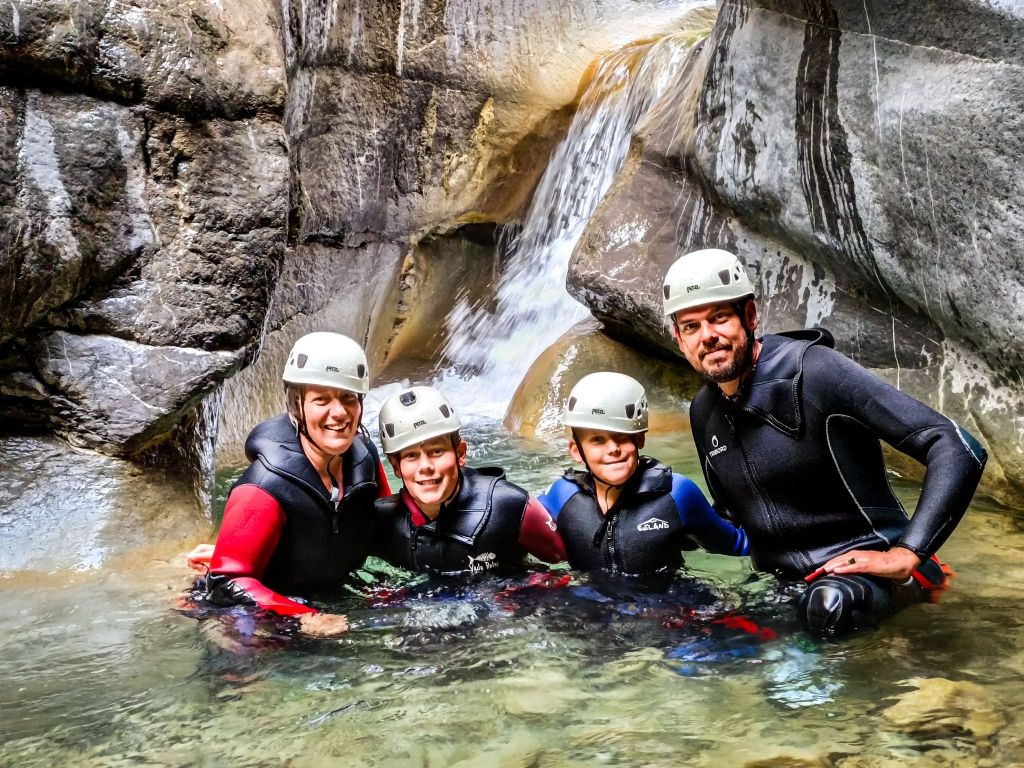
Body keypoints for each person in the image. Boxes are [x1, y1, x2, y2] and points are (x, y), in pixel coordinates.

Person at [662, 248, 988, 635]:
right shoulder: (704, 411)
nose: (708, 336)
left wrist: (907, 553)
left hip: (864, 580)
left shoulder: (815, 371)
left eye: (719, 318)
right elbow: (735, 517)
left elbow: (954, 445)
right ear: (679, 339)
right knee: (689, 626)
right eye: (691, 326)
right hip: (785, 587)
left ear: (749, 316)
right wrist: (660, 520)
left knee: (827, 608)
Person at [193, 332, 391, 637]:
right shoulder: (263, 487)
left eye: (348, 398)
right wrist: (302, 616)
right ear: (297, 406)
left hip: (332, 597)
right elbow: (224, 583)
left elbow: (390, 529)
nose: (339, 413)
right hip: (265, 614)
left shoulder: (364, 459)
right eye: (321, 400)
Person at [537, 371, 750, 579]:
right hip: (591, 599)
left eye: (621, 436)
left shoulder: (675, 494)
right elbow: (524, 531)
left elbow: (736, 544)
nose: (613, 449)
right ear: (576, 451)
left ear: (639, 439)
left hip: (669, 599)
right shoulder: (562, 496)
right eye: (597, 440)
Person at [374, 385, 566, 575]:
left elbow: (564, 562)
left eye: (437, 451)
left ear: (460, 453)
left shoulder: (511, 505)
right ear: (396, 466)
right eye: (411, 456)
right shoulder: (381, 522)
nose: (425, 466)